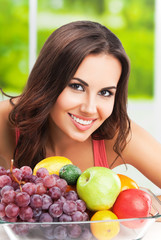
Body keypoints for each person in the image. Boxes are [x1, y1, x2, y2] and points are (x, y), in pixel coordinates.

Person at [0, 20, 161, 190]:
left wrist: (146, 209)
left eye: (105, 93)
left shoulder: (119, 136)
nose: (90, 109)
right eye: (77, 87)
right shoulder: (5, 121)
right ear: (47, 82)